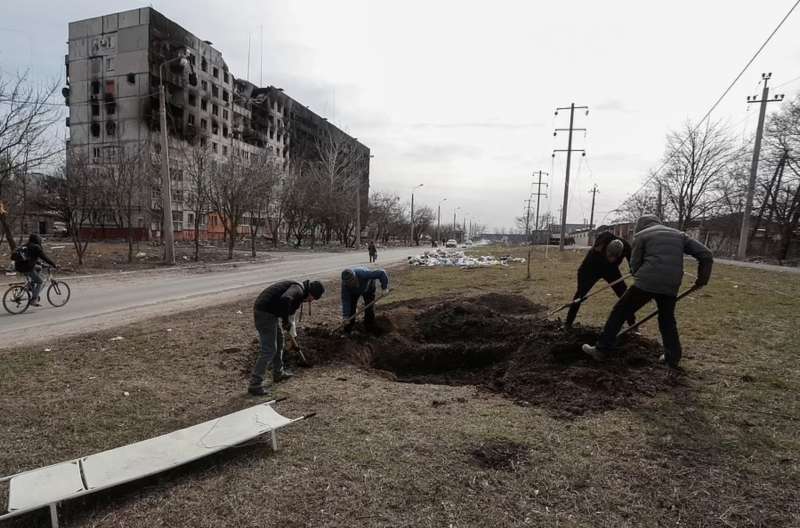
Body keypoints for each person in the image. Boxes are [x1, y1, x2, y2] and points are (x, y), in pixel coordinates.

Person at [582, 215, 713, 368]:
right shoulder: (679, 235)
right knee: (667, 320)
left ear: (640, 226)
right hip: (671, 283)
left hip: (647, 281)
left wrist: (639, 275)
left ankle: (601, 350)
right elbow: (706, 255)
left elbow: (635, 264)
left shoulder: (641, 235)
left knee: (620, 311)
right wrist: (702, 279)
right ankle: (672, 358)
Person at [248, 279, 325, 396]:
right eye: (312, 299)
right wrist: (284, 320)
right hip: (264, 313)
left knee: (280, 342)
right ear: (311, 293)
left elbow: (287, 307)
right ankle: (255, 384)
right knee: (269, 349)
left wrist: (287, 322)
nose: (310, 301)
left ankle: (278, 373)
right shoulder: (298, 289)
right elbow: (285, 299)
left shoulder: (299, 291)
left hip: (271, 314)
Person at [565, 232, 634, 329]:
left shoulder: (626, 247)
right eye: (609, 256)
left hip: (611, 270)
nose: (611, 259)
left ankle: (633, 325)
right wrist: (581, 289)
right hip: (593, 269)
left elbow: (633, 262)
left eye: (614, 258)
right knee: (579, 296)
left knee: (624, 295)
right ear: (605, 250)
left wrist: (633, 269)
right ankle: (568, 324)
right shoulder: (597, 248)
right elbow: (582, 271)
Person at [11, 234, 57, 307]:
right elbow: (44, 257)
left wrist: (41, 264)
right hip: (27, 268)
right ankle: (34, 299)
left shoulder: (26, 245)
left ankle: (31, 286)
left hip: (19, 267)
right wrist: (53, 264)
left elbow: (31, 258)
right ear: (37, 239)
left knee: (38, 268)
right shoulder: (36, 247)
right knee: (40, 281)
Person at [341, 267, 389, 332]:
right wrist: (346, 316)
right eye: (349, 284)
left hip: (368, 287)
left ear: (355, 278)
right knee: (351, 310)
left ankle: (369, 328)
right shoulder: (345, 286)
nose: (351, 284)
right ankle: (348, 329)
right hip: (353, 292)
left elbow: (381, 273)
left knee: (369, 308)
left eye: (352, 282)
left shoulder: (363, 274)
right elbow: (346, 301)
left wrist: (384, 288)